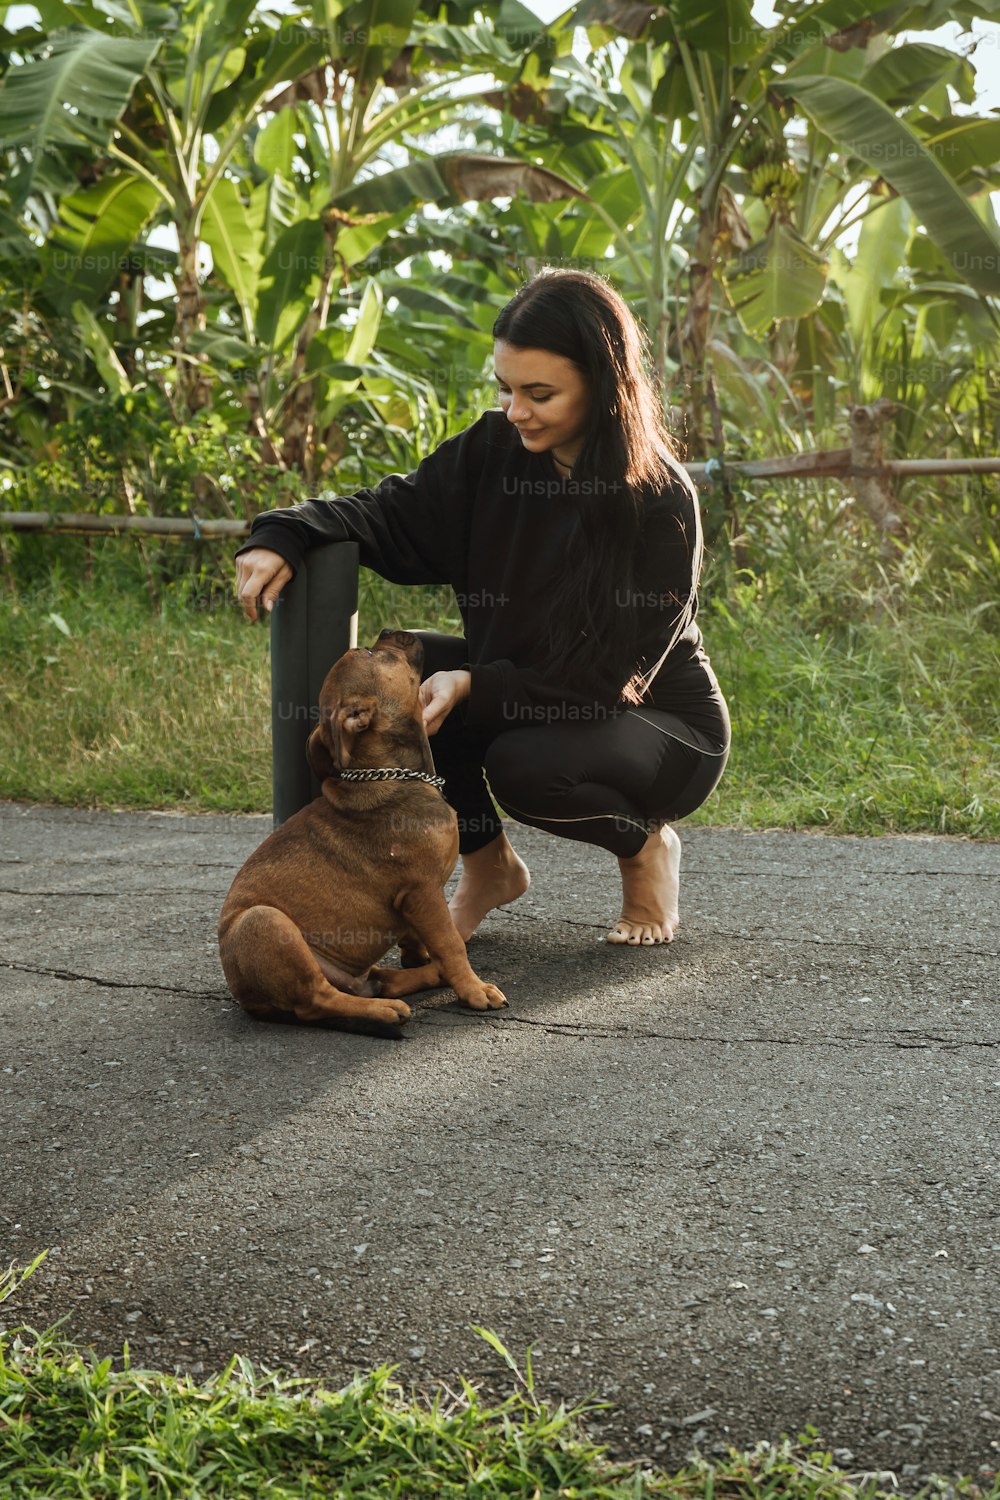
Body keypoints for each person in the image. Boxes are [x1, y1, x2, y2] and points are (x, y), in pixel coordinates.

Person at [234, 268, 730, 947]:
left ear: (604, 385)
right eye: (506, 388)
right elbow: (391, 511)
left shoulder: (659, 502)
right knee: (402, 682)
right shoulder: (494, 450)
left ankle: (643, 849)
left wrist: (475, 683)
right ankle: (489, 867)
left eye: (540, 393)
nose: (516, 409)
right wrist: (284, 533)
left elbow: (605, 680)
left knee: (526, 767)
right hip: (529, 685)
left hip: (658, 724)